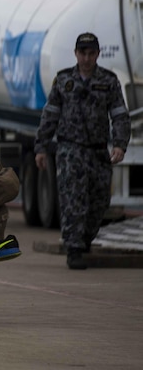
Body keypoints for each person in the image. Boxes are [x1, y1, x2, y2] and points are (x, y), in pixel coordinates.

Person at [34, 33, 130, 270]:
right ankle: (74, 248)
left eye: (91, 54)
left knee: (99, 202)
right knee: (73, 200)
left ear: (97, 54)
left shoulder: (108, 81)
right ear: (76, 54)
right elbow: (50, 115)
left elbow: (119, 115)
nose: (86, 58)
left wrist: (119, 144)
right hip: (70, 150)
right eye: (82, 53)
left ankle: (84, 239)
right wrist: (42, 146)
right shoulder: (64, 80)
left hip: (98, 151)